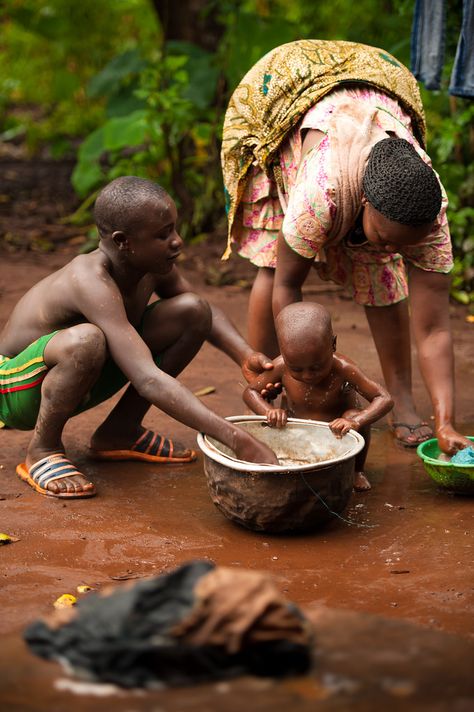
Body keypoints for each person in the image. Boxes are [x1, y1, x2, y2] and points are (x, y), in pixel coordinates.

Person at [221, 39, 471, 454]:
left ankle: (404, 403)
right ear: (365, 203)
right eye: (389, 237)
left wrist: (445, 422)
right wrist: (293, 378)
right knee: (272, 267)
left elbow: (435, 327)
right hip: (286, 99)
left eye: (407, 242)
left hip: (372, 96)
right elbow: (288, 289)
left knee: (385, 277)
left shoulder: (429, 211)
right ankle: (263, 391)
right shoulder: (319, 194)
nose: (395, 248)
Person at [0, 176, 280, 499]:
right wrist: (237, 438)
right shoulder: (89, 280)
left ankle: (119, 432)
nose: (177, 241)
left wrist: (245, 355)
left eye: (175, 229)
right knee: (87, 341)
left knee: (194, 311)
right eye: (163, 235)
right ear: (123, 242)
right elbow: (147, 378)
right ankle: (43, 448)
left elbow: (206, 314)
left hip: (78, 372)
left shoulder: (150, 264)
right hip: (14, 389)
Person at [243, 302, 393, 491]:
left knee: (352, 414)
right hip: (297, 428)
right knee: (275, 422)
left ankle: (356, 471)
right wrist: (269, 411)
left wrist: (356, 421)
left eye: (316, 367)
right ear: (283, 353)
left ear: (333, 345)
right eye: (296, 368)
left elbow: (384, 398)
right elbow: (250, 392)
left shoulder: (344, 369)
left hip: (338, 432)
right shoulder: (281, 366)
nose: (307, 376)